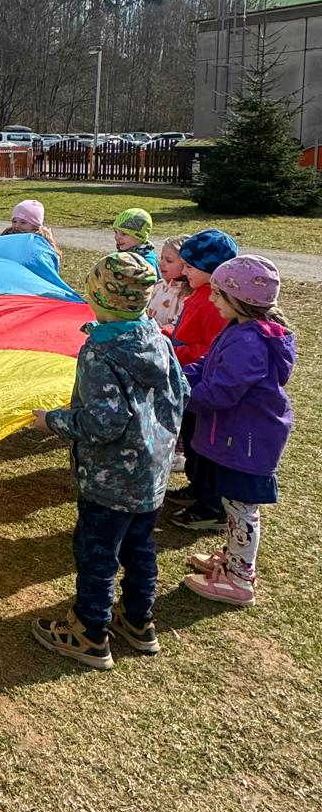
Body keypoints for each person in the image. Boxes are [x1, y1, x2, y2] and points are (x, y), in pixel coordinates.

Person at [31, 254, 186, 670]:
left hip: (109, 481)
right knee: (140, 549)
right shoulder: (158, 339)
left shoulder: (100, 353)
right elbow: (182, 393)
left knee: (97, 555)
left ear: (97, 296)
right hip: (151, 475)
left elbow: (104, 422)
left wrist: (53, 421)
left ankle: (90, 632)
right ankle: (139, 621)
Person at [178, 257, 294, 605]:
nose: (212, 298)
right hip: (238, 437)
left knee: (242, 508)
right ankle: (233, 560)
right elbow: (208, 366)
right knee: (234, 505)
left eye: (218, 293)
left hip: (247, 442)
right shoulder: (239, 329)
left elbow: (221, 391)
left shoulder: (249, 342)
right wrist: (181, 376)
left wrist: (179, 395)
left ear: (240, 299)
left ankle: (240, 580)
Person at [163, 228, 240, 529]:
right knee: (193, 441)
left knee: (203, 446)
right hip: (190, 379)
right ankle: (198, 488)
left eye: (190, 266)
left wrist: (175, 350)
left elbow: (212, 350)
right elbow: (187, 333)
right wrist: (168, 335)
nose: (184, 271)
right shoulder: (200, 294)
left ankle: (211, 506)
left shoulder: (215, 303)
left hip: (202, 385)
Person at [147, 235, 189, 330]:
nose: (161, 263)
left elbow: (177, 328)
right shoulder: (158, 285)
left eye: (169, 260)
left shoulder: (186, 295)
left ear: (186, 264)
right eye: (161, 258)